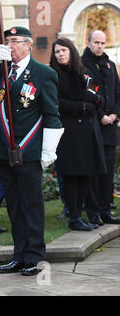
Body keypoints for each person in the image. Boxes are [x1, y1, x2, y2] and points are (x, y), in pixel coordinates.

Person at [0, 27, 63, 276]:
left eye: (14, 41)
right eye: (6, 41)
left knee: (31, 205)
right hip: (2, 149)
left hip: (28, 151)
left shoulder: (44, 74)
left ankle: (34, 256)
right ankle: (19, 254)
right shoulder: (0, 70)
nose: (9, 45)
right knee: (14, 206)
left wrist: (48, 151)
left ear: (28, 44)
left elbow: (52, 114)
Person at [50, 38, 106, 231]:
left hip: (88, 132)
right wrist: (83, 106)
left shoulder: (84, 73)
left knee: (85, 175)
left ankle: (80, 216)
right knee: (71, 176)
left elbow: (97, 98)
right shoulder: (53, 76)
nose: (60, 54)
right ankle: (74, 216)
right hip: (68, 133)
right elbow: (57, 103)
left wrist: (90, 102)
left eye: (63, 50)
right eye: (57, 52)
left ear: (71, 51)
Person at [82, 30, 120, 225]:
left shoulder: (110, 65)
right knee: (94, 172)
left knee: (107, 172)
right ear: (88, 42)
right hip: (92, 127)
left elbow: (117, 94)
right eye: (96, 42)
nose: (99, 46)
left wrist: (114, 114)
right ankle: (93, 211)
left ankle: (106, 210)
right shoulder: (81, 66)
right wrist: (101, 116)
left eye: (103, 43)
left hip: (110, 128)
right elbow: (85, 94)